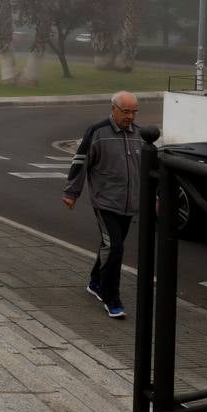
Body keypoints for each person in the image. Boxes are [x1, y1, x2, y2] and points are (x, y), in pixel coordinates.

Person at [62, 91, 143, 319]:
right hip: (105, 202)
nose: (130, 116)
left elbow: (148, 169)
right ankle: (111, 299)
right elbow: (80, 161)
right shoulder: (97, 132)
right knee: (115, 248)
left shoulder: (139, 134)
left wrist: (155, 196)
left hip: (129, 205)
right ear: (114, 109)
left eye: (134, 112)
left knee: (110, 245)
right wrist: (71, 192)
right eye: (126, 111)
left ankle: (96, 282)